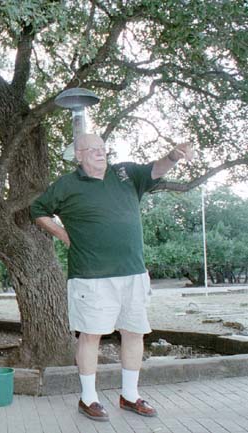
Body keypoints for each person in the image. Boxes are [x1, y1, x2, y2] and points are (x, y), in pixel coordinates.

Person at [30, 133, 193, 422]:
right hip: (91, 276)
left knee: (134, 332)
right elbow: (38, 210)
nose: (99, 153)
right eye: (91, 149)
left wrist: (172, 156)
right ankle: (88, 398)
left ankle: (130, 395)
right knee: (90, 335)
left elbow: (156, 169)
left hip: (133, 272)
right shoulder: (67, 185)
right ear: (78, 155)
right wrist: (64, 235)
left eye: (102, 148)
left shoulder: (126, 173)